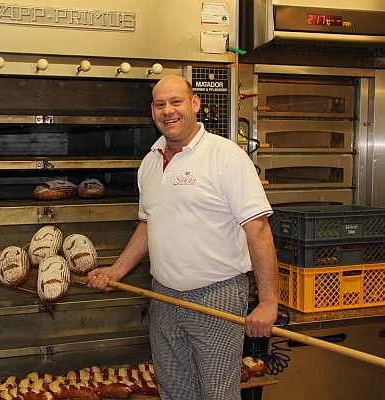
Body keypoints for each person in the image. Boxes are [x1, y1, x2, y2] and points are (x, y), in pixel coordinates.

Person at [86, 75, 278, 400]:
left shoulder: (226, 157)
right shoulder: (149, 163)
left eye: (176, 102)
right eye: (160, 104)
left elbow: (257, 228)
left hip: (217, 294)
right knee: (174, 392)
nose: (168, 111)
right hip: (164, 296)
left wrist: (268, 303)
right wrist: (116, 271)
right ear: (152, 111)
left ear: (194, 104)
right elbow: (149, 225)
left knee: (217, 393)